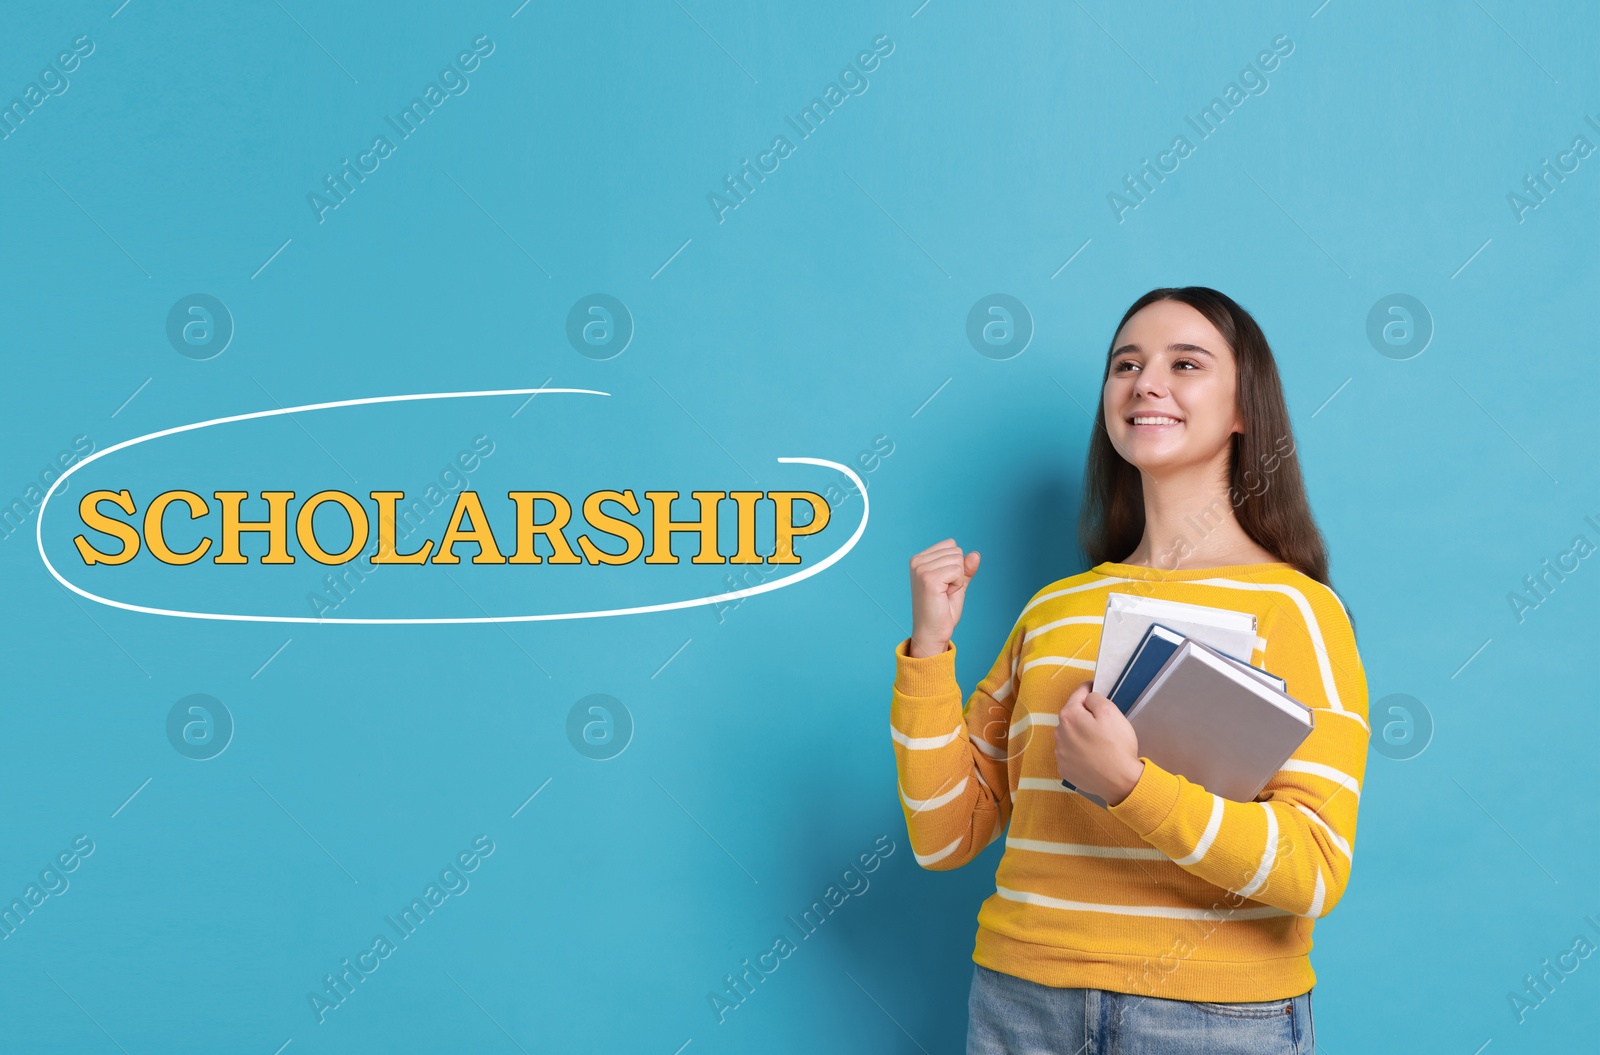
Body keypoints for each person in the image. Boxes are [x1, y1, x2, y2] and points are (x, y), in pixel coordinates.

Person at [891, 287, 1367, 1054]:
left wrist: (1130, 785)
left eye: (1185, 363)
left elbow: (1313, 868)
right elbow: (946, 834)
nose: (1146, 382)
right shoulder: (1053, 610)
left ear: (1245, 408)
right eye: (1126, 364)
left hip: (1210, 1020)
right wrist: (928, 653)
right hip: (1021, 1003)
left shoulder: (1297, 611)